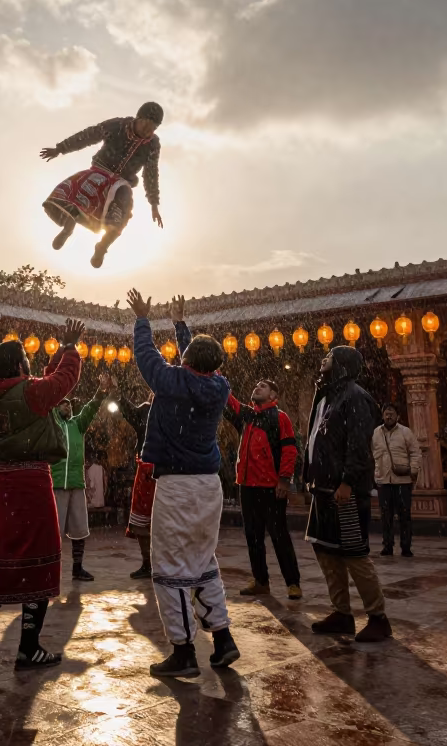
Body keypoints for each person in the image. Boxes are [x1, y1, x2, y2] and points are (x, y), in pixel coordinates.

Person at [0, 319, 85, 670]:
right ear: (19, 365)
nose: (30, 364)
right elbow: (61, 382)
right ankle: (28, 646)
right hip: (32, 480)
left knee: (1, 555)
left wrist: (60, 349)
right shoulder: (31, 393)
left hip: (2, 481)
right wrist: (71, 347)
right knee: (41, 556)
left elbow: (41, 384)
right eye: (26, 360)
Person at [128, 290, 240, 678]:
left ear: (187, 360)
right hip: (209, 486)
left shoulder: (172, 382)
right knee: (203, 562)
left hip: (177, 486)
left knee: (170, 568)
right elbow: (195, 363)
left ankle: (183, 650)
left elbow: (147, 360)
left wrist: (143, 320)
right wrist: (179, 325)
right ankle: (222, 639)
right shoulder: (220, 387)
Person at [304, 347, 391, 643]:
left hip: (344, 491)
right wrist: (310, 476)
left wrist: (349, 482)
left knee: (354, 553)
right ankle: (341, 612)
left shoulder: (355, 396)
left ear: (342, 364)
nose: (323, 358)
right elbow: (315, 439)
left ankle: (378, 617)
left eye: (330, 355)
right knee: (326, 550)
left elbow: (359, 446)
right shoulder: (326, 395)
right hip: (323, 489)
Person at [41, 102, 164, 268]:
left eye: (153, 128)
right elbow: (89, 135)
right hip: (99, 171)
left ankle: (102, 246)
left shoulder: (153, 144)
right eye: (146, 125)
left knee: (122, 211)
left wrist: (154, 203)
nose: (148, 131)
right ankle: (67, 227)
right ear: (138, 118)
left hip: (122, 183)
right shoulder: (118, 126)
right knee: (72, 195)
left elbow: (151, 172)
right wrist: (61, 148)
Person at [225, 378, 302, 598]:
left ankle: (293, 583)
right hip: (247, 485)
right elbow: (229, 401)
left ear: (273, 396)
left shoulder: (279, 417)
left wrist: (284, 479)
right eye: (256, 385)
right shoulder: (248, 416)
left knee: (279, 536)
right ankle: (261, 581)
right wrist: (214, 373)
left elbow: (289, 449)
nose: (256, 387)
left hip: (270, 487)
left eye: (263, 386)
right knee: (253, 535)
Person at [54, 370, 110, 581]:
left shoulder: (78, 424)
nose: (67, 406)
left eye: (68, 404)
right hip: (57, 483)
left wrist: (101, 392)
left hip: (76, 483)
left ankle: (77, 569)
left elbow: (91, 408)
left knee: (80, 529)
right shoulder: (54, 424)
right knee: (53, 532)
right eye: (62, 403)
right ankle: (51, 570)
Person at [372, 403, 422, 558]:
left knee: (404, 515)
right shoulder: (376, 433)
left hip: (402, 480)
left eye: (391, 414)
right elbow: (372, 453)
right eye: (386, 414)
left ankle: (406, 546)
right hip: (384, 480)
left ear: (397, 416)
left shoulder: (406, 432)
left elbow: (415, 453)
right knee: (385, 515)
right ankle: (387, 545)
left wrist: (413, 470)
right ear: (382, 416)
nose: (389, 416)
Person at [119, 390, 155, 578]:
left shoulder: (176, 409)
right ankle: (147, 563)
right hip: (146, 468)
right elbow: (130, 413)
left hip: (169, 471)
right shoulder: (145, 410)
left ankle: (164, 564)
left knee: (167, 521)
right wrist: (118, 393)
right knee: (140, 519)